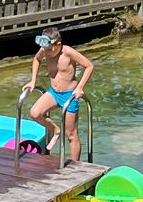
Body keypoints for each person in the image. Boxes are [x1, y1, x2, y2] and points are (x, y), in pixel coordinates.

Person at [23, 28, 93, 163]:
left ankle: (75, 166)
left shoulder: (68, 52)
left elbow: (89, 66)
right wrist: (33, 80)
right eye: (45, 49)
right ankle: (55, 130)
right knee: (35, 113)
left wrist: (80, 88)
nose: (47, 53)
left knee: (71, 135)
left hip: (69, 95)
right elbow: (36, 59)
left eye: (49, 50)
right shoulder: (44, 50)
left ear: (58, 45)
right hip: (53, 92)